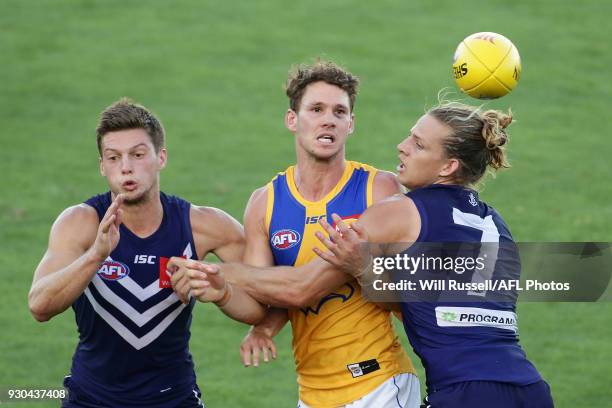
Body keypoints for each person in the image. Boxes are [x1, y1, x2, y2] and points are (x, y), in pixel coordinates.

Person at [169, 60, 420, 407]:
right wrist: (223, 291)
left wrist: (226, 271)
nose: (328, 119)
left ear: (351, 124)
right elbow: (263, 300)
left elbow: (408, 300)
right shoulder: (265, 203)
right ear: (292, 120)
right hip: (312, 393)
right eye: (316, 109)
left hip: (379, 383)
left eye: (339, 111)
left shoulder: (379, 191)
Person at [314, 102, 555, 408]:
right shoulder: (496, 224)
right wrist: (365, 269)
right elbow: (420, 305)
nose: (402, 147)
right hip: (530, 391)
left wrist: (235, 283)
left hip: (465, 394)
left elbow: (302, 289)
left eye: (418, 144)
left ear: (448, 167)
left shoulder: (402, 211)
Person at [27, 98, 261, 408]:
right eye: (113, 157)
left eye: (137, 154)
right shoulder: (80, 224)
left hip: (174, 399)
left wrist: (221, 292)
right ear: (102, 166)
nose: (126, 167)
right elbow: (39, 306)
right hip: (90, 399)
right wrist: (95, 256)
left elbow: (262, 306)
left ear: (160, 157)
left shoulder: (205, 226)